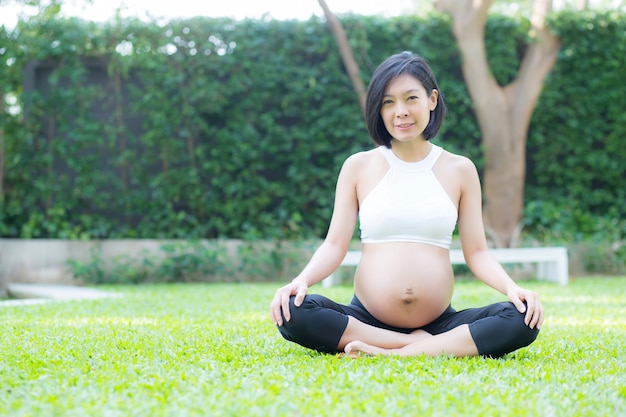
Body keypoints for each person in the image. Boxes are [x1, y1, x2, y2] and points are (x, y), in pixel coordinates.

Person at [269, 51, 543, 358]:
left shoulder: (460, 169)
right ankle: (419, 347)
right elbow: (334, 245)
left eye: (411, 98)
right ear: (378, 108)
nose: (400, 111)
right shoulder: (358, 166)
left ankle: (395, 352)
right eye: (388, 102)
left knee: (522, 319)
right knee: (294, 311)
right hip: (366, 321)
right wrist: (300, 281)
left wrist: (512, 288)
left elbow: (477, 252)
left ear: (432, 100)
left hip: (440, 322)